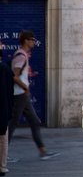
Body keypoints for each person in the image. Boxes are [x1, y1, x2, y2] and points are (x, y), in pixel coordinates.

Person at [7, 30, 57, 160]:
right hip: (19, 94)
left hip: (22, 94)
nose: (34, 42)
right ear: (26, 41)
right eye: (32, 39)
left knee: (34, 121)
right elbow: (15, 77)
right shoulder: (21, 56)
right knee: (12, 124)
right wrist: (25, 87)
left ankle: (43, 151)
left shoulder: (23, 54)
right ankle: (3, 154)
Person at [0, 55, 13, 174]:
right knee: (3, 138)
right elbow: (10, 91)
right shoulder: (6, 69)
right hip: (3, 109)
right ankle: (2, 166)